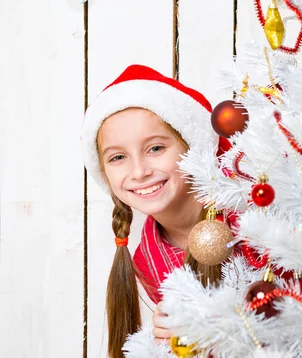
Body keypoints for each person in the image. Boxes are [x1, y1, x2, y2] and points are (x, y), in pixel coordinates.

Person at [82, 64, 231, 357]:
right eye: (118, 157)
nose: (139, 172)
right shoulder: (149, 260)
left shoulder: (251, 213)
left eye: (155, 149)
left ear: (193, 146)